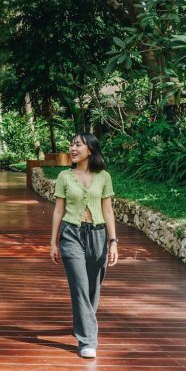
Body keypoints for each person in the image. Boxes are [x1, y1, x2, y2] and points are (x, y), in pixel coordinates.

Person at [49, 132, 118, 358]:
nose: (73, 148)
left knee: (93, 287)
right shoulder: (64, 177)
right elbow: (58, 210)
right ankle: (88, 340)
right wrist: (53, 242)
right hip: (71, 234)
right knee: (79, 286)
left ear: (91, 149)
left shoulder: (104, 177)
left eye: (78, 144)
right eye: (71, 144)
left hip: (98, 235)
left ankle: (82, 321)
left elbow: (108, 210)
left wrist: (113, 242)